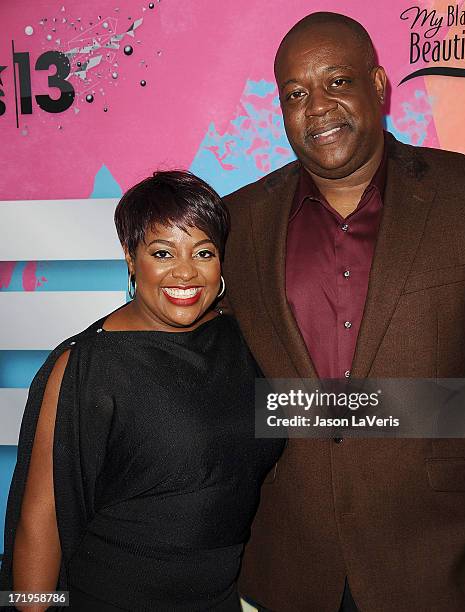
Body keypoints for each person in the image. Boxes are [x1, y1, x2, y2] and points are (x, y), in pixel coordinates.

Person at [222, 12, 465, 612]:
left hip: (440, 558)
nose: (316, 107)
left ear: (379, 86)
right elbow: (216, 378)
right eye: (295, 94)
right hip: (289, 560)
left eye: (337, 82)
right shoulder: (237, 221)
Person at [0, 171, 284, 611]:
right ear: (131, 258)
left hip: (221, 598)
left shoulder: (237, 337)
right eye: (163, 252)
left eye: (203, 252)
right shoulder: (87, 365)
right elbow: (41, 521)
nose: (186, 271)